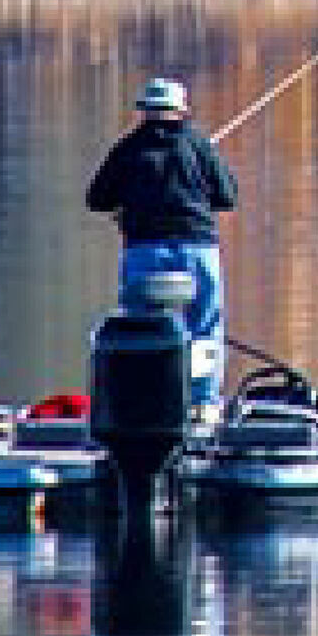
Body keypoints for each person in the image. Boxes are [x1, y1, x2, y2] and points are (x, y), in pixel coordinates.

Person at [85, 77, 239, 414]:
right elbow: (228, 196)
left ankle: (144, 403)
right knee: (205, 326)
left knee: (141, 329)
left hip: (144, 251)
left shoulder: (128, 148)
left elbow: (96, 199)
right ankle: (202, 403)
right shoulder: (198, 145)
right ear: (181, 110)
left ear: (143, 111)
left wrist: (124, 206)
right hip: (197, 249)